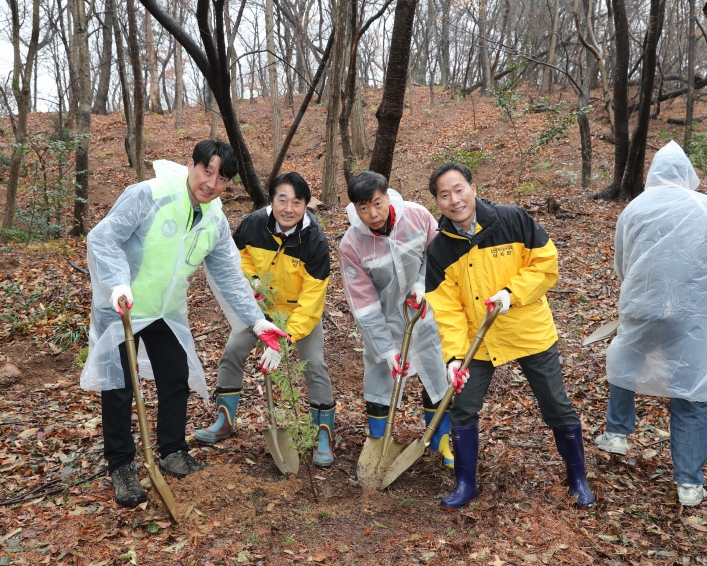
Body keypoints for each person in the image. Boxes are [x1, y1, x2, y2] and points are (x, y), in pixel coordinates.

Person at [80, 140, 287, 507]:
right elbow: (103, 238)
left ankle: (172, 450)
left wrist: (257, 322)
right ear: (191, 165)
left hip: (164, 311)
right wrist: (117, 285)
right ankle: (121, 465)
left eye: (222, 178)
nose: (211, 183)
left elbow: (228, 275)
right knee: (119, 387)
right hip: (122, 304)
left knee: (175, 377)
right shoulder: (148, 194)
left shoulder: (214, 220)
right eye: (207, 171)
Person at [594, 140, 707, 506]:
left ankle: (617, 433)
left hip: (640, 302)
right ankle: (688, 483)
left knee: (625, 358)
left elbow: (621, 261)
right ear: (688, 174)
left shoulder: (633, 208)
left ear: (654, 171)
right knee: (690, 387)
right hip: (690, 310)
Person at [424, 162, 595, 510]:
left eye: (459, 189)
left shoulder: (512, 219)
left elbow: (546, 265)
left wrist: (510, 293)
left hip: (528, 330)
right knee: (463, 409)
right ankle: (465, 484)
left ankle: (577, 478)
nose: (454, 200)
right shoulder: (440, 249)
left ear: (473, 187)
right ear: (437, 203)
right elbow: (447, 310)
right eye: (444, 195)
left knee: (556, 405)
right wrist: (454, 357)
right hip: (479, 340)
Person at [193, 172, 337, 467]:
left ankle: (322, 430)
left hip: (298, 314)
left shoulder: (315, 241)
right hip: (259, 308)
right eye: (282, 199)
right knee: (233, 350)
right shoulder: (254, 223)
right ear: (271, 200)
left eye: (297, 202)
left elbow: (312, 302)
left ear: (306, 205)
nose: (288, 208)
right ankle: (225, 418)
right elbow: (235, 256)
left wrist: (283, 340)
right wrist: (253, 281)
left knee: (315, 364)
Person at [340, 172, 455, 468]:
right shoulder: (352, 245)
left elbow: (436, 255)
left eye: (377, 203)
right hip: (385, 323)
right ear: (355, 208)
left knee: (436, 374)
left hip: (424, 314)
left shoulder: (417, 217)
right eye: (363, 208)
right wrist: (386, 350)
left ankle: (440, 439)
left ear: (387, 195)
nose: (373, 214)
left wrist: (421, 284)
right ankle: (380, 441)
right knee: (380, 379)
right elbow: (363, 305)